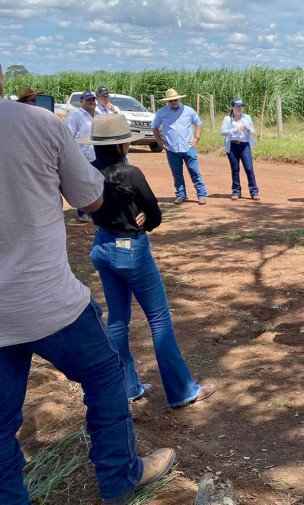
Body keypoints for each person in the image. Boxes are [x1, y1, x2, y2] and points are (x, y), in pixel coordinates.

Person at [0, 63, 175, 505]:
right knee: (104, 374)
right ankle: (119, 477)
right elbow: (92, 200)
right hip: (46, 298)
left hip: (81, 266)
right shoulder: (39, 123)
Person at [80, 113, 216, 408]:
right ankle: (182, 391)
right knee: (158, 319)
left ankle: (127, 387)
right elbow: (154, 215)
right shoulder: (130, 173)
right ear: (120, 145)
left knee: (117, 320)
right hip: (131, 248)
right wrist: (141, 217)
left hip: (102, 245)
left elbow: (86, 207)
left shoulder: (89, 170)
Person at [151, 88, 207, 205]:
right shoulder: (162, 112)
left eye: (175, 100)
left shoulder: (188, 111)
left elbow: (198, 123)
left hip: (188, 147)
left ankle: (201, 194)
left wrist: (196, 138)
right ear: (167, 102)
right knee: (177, 173)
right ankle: (181, 194)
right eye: (171, 101)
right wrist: (160, 141)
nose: (173, 102)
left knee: (194, 171)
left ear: (178, 99)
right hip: (171, 148)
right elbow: (154, 126)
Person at [65, 91, 100, 223]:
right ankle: (83, 212)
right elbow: (68, 137)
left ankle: (96, 211)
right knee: (84, 185)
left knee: (99, 183)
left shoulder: (99, 116)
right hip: (82, 156)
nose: (91, 102)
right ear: (81, 102)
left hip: (98, 155)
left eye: (93, 100)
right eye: (88, 100)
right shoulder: (75, 117)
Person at [220, 98, 259, 201]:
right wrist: (235, 129)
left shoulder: (247, 118)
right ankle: (236, 191)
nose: (239, 108)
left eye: (241, 106)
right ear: (232, 107)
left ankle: (254, 192)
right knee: (235, 169)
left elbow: (253, 131)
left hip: (244, 145)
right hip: (232, 146)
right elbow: (223, 132)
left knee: (249, 169)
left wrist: (248, 129)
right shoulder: (227, 119)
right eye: (237, 106)